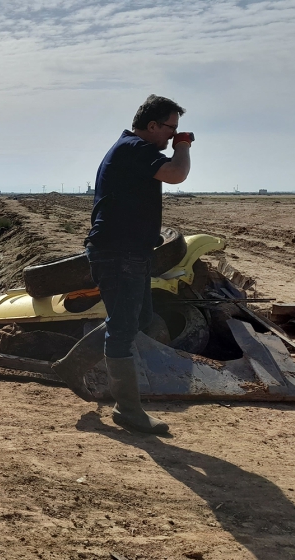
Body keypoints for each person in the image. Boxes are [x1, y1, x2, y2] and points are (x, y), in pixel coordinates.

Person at [80, 94, 193, 434]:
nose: (173, 136)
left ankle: (72, 364)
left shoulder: (131, 149)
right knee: (124, 327)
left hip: (131, 251)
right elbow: (176, 174)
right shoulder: (134, 148)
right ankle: (127, 410)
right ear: (153, 125)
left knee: (137, 318)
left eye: (178, 132)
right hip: (119, 252)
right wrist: (185, 147)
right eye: (172, 128)